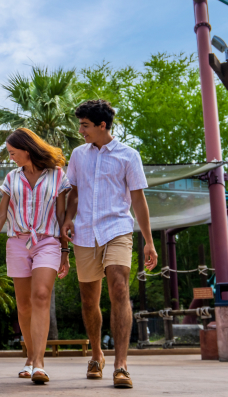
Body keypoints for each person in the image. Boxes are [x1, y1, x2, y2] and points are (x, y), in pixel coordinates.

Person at [64, 99, 157, 389]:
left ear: (102, 125)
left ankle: (121, 364)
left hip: (117, 228)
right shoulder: (78, 154)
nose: (81, 131)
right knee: (89, 300)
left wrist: (149, 241)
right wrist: (67, 219)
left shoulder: (129, 156)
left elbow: (139, 200)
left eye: (85, 125)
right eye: (81, 124)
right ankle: (96, 355)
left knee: (119, 288)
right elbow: (74, 193)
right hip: (83, 233)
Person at [0, 128, 70, 385]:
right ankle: (30, 357)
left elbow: (62, 217)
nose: (11, 157)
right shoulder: (11, 178)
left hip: (47, 241)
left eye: (13, 153)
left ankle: (39, 363)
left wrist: (65, 251)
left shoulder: (58, 176)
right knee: (24, 305)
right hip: (17, 242)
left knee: (41, 295)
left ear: (26, 150)